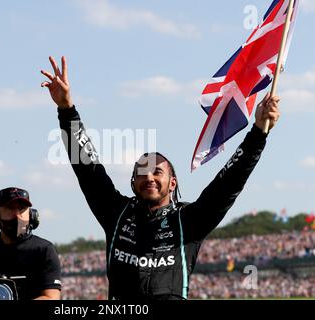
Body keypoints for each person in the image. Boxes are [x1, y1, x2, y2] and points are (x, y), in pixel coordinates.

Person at [41, 56, 281, 300]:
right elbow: (87, 168)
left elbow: (228, 183)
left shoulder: (188, 220)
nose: (149, 178)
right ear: (133, 182)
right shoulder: (117, 213)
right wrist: (66, 110)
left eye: (157, 171)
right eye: (142, 173)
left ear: (172, 183)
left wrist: (258, 133)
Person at [0, 187, 62, 300]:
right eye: (10, 208)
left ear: (31, 215)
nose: (17, 215)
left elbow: (51, 297)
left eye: (22, 209)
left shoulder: (44, 250)